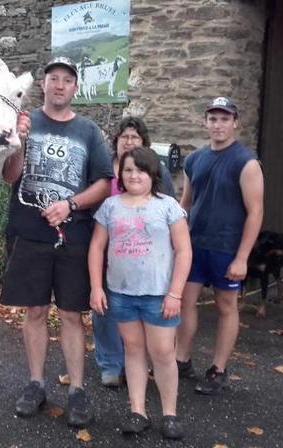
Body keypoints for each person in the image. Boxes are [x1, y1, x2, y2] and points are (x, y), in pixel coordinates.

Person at [0, 57, 114, 427]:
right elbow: (10, 177)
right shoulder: (25, 122)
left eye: (67, 80)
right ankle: (36, 384)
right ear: (44, 85)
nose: (60, 85)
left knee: (70, 314)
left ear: (75, 88)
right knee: (34, 311)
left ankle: (77, 391)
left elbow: (104, 182)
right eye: (53, 79)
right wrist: (19, 141)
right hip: (29, 233)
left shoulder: (88, 131)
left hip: (73, 235)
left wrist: (71, 204)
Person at [89, 148, 191, 439]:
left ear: (153, 174)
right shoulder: (110, 206)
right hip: (122, 294)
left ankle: (169, 414)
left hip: (159, 296)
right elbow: (97, 247)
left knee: (162, 353)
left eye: (141, 170)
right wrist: (97, 287)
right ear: (121, 173)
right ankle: (138, 411)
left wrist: (175, 293)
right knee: (132, 351)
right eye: (129, 169)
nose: (134, 175)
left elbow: (184, 251)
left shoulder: (168, 206)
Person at [175, 96, 264, 395]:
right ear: (206, 122)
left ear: (235, 122)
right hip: (195, 245)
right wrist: (176, 239)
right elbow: (185, 203)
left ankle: (218, 370)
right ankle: (180, 360)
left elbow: (255, 213)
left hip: (226, 247)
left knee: (226, 306)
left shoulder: (246, 162)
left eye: (224, 118)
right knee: (185, 301)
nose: (218, 124)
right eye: (213, 118)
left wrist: (242, 258)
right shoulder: (194, 159)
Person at [94, 116, 176, 387]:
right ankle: (110, 363)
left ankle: (139, 364)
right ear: (116, 141)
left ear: (144, 143)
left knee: (145, 314)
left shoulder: (155, 171)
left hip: (145, 254)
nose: (129, 141)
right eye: (124, 137)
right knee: (105, 307)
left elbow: (169, 209)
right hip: (109, 244)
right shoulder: (104, 168)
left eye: (135, 138)